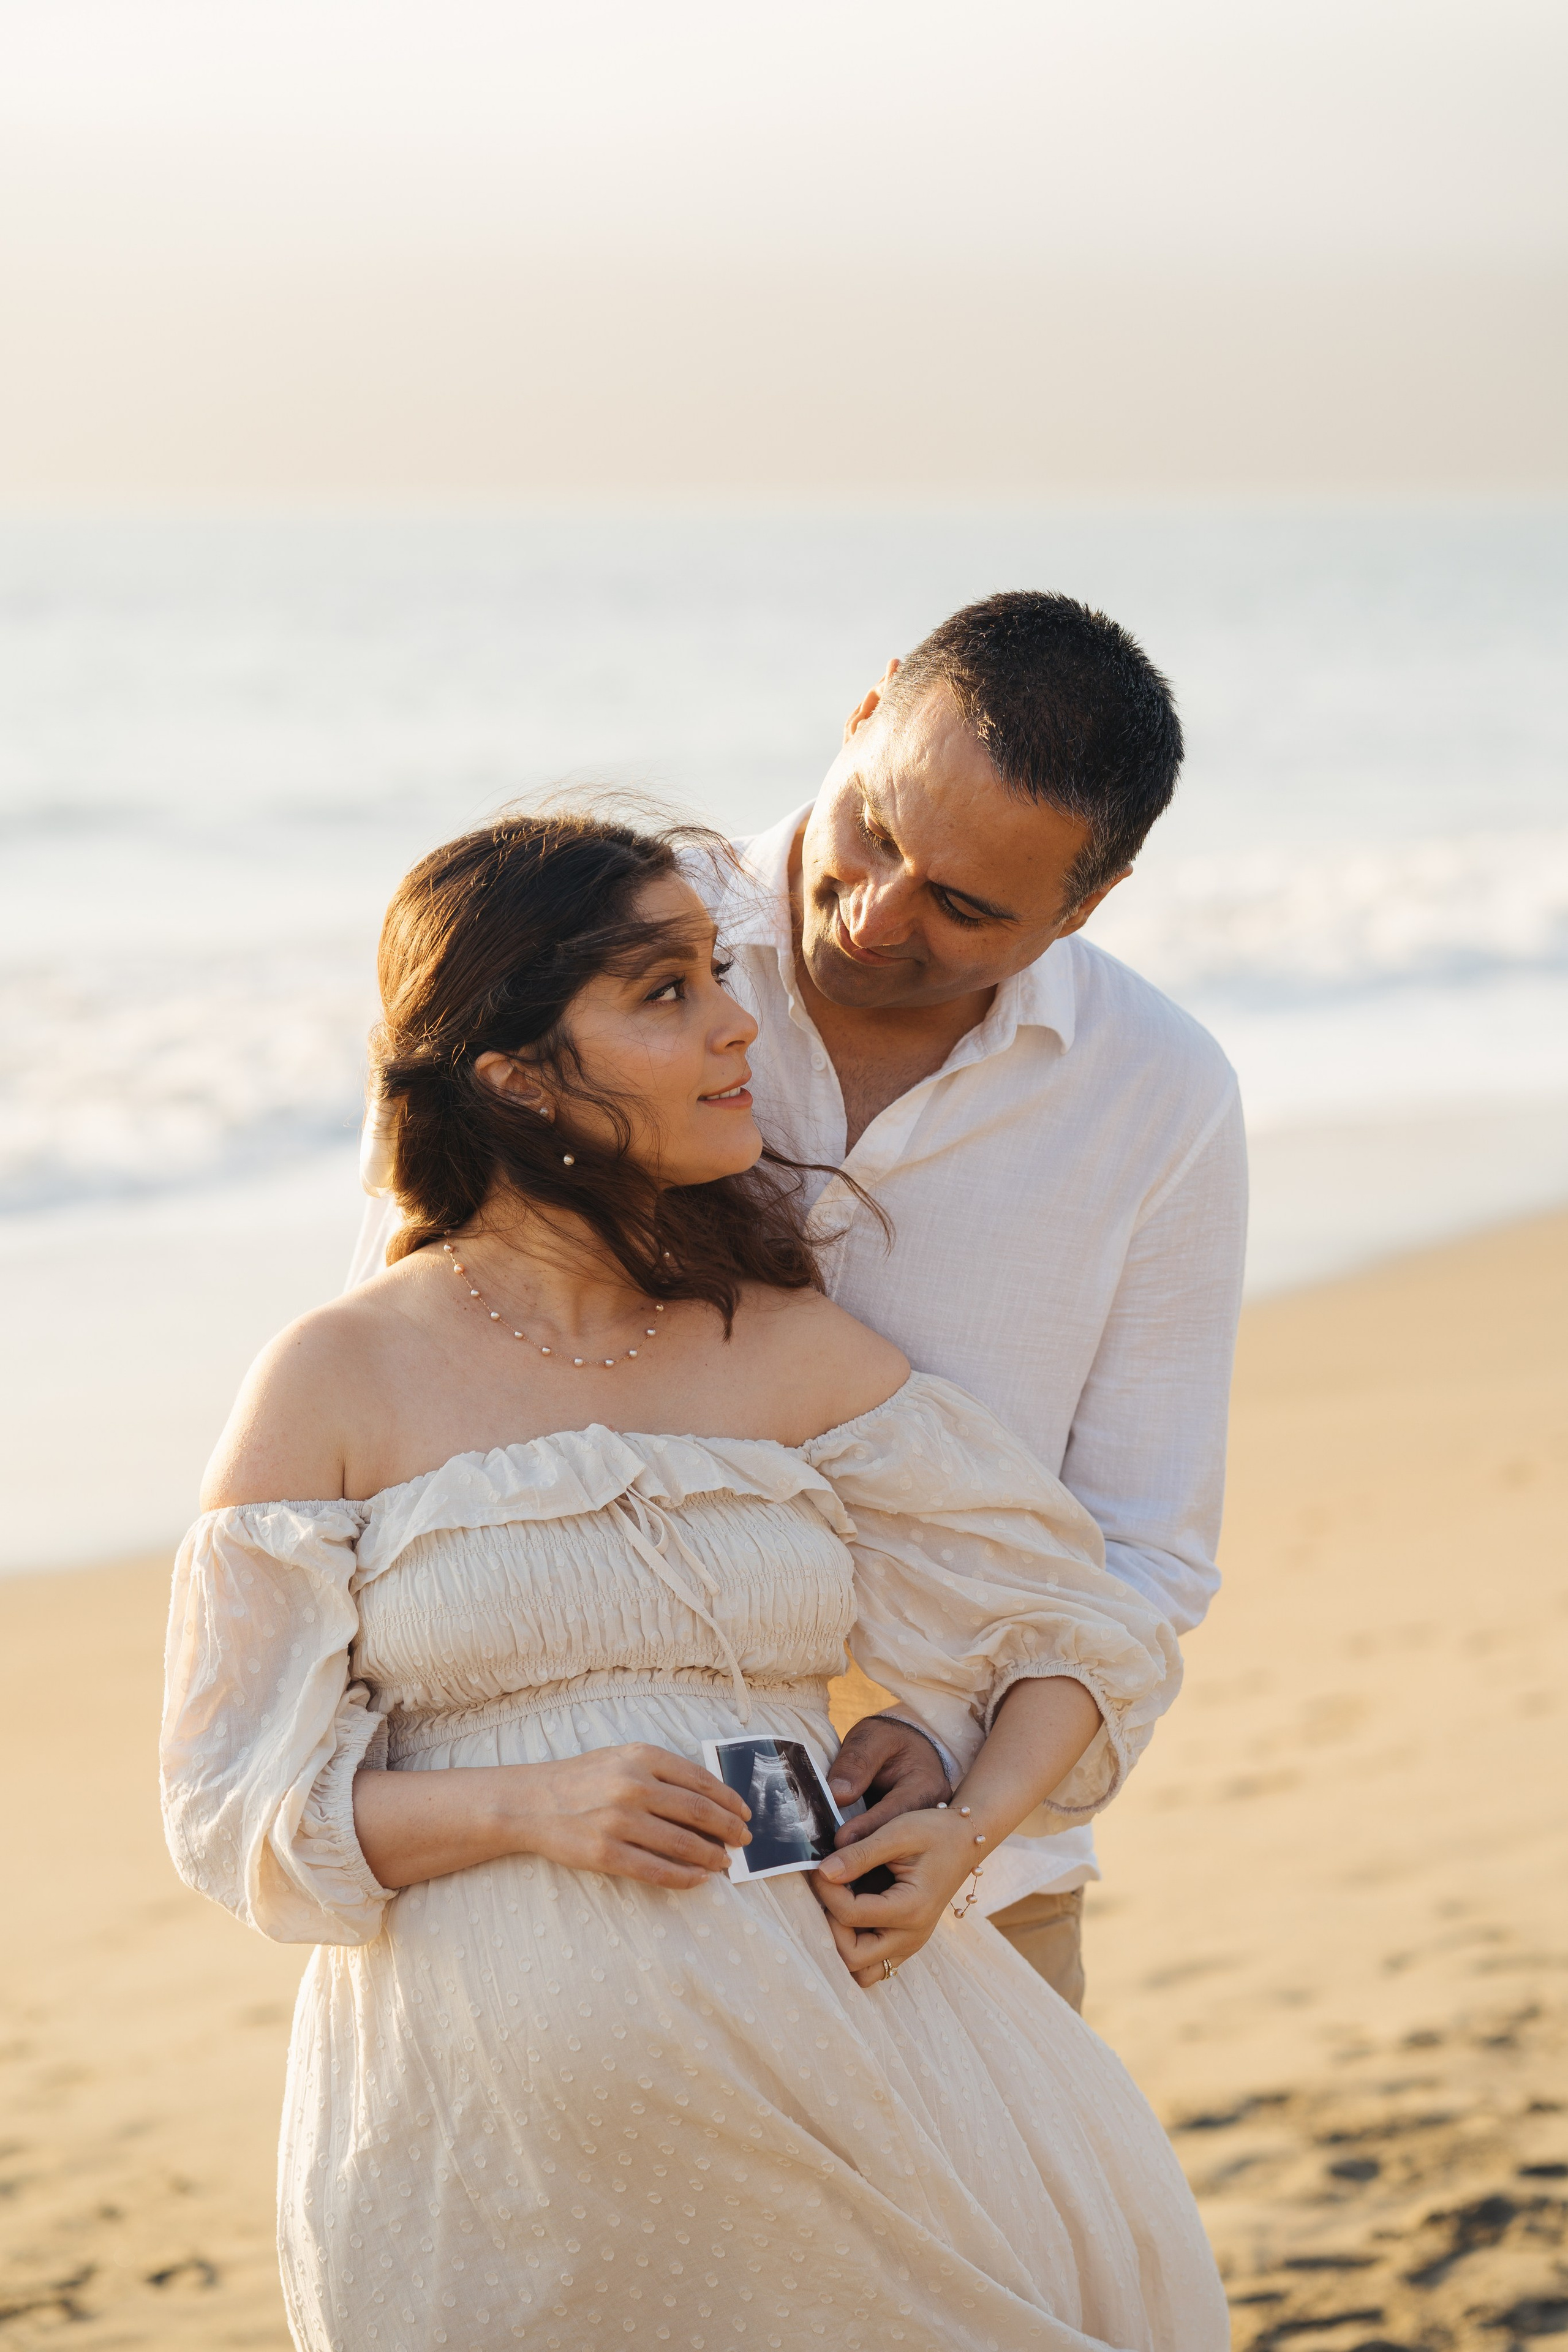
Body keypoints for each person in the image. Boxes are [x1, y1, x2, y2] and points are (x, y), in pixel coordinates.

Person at [163, 811, 1228, 2350]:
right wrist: (525, 1808)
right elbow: (229, 1807)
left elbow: (1074, 1625)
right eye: (663, 994)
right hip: (490, 2166)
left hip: (855, 2094)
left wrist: (960, 1818)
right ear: (517, 1077)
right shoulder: (337, 1377)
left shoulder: (789, 1350)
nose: (740, 1024)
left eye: (715, 974)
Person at [350, 589, 1248, 2010]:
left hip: (958, 1901)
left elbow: (1141, 1555)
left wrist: (957, 1784)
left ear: (1085, 907)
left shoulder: (1157, 1096)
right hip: (554, 1909)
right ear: (863, 711)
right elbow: (407, 1390)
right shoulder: (596, 949)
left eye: (962, 906)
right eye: (874, 831)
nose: (875, 915)